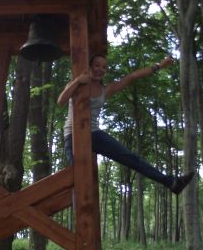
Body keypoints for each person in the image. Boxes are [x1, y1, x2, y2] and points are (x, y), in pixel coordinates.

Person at [57, 54, 194, 194]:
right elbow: (61, 101)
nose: (100, 69)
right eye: (97, 65)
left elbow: (132, 77)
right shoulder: (76, 85)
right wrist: (77, 81)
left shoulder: (106, 90)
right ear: (90, 66)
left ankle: (172, 182)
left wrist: (159, 65)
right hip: (73, 135)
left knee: (130, 158)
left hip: (94, 134)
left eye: (104, 67)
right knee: (78, 177)